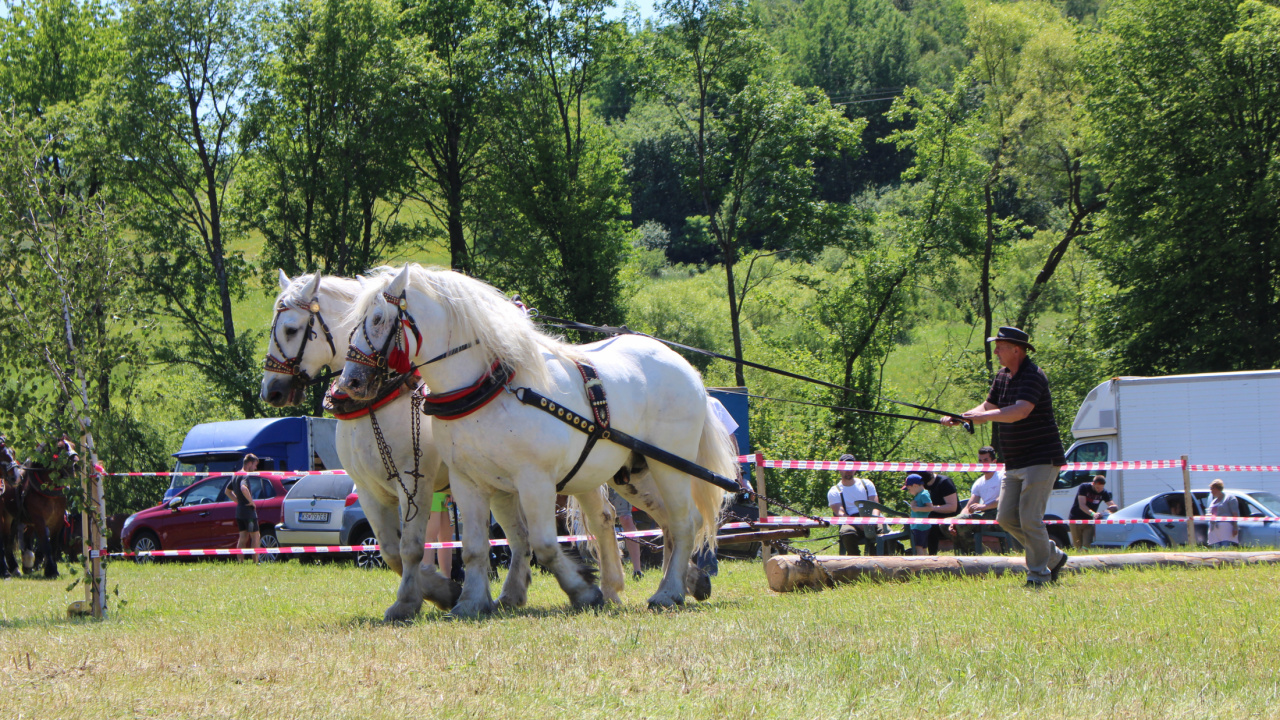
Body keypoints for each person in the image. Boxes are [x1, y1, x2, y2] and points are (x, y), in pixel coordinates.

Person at [942, 326, 1068, 587]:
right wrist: (962, 417)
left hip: (1041, 458)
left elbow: (1019, 411)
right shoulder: (1002, 376)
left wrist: (982, 417)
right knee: (1007, 518)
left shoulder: (1034, 375)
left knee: (1030, 519)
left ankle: (1039, 576)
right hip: (1015, 460)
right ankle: (1053, 556)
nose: (996, 351)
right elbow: (989, 406)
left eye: (1000, 346)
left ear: (1016, 349)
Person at [827, 453, 883, 555]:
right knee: (847, 532)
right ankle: (856, 562)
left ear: (856, 469)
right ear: (839, 469)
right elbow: (840, 513)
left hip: (871, 518)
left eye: (851, 467)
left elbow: (875, 505)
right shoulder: (834, 491)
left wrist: (873, 519)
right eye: (845, 467)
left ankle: (884, 560)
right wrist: (858, 523)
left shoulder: (867, 484)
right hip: (851, 521)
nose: (848, 470)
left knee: (887, 533)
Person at [950, 446, 1003, 554]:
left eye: (986, 460)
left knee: (964, 523)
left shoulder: (1003, 476)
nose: (982, 463)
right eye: (980, 460)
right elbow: (969, 507)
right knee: (947, 525)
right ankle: (966, 554)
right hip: (985, 515)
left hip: (1000, 514)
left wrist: (984, 507)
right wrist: (955, 520)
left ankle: (974, 553)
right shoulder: (979, 482)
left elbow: (1004, 499)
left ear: (994, 461)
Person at [225, 453, 263, 563]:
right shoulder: (244, 476)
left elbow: (227, 491)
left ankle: (240, 562)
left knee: (243, 537)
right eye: (255, 465)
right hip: (248, 512)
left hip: (239, 511)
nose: (255, 468)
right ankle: (256, 562)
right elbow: (243, 488)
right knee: (255, 536)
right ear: (249, 463)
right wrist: (252, 502)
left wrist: (238, 501)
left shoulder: (235, 475)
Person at [1068, 475, 1118, 549]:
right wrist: (1093, 513)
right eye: (1098, 487)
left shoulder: (1103, 492)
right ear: (1093, 484)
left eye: (1102, 488)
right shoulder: (1084, 487)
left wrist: (1113, 508)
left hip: (1089, 521)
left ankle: (1086, 557)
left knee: (1087, 545)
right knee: (1077, 545)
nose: (1099, 490)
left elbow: (1112, 505)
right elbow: (1082, 505)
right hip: (1075, 519)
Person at [916, 470, 960, 554]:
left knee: (929, 527)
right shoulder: (921, 485)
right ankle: (917, 553)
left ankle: (932, 556)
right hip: (930, 517)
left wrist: (931, 508)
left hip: (949, 519)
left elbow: (952, 507)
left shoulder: (944, 482)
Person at [608, 487, 645, 580]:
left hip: (617, 482)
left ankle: (637, 570)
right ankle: (607, 570)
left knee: (626, 519)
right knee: (603, 521)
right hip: (599, 482)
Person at [425, 492, 454, 578]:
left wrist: (454, 491)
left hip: (448, 492)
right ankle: (427, 581)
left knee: (446, 541)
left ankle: (446, 581)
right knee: (429, 539)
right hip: (432, 491)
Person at [1206, 479, 1240, 547]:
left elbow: (1235, 513)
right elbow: (1210, 512)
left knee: (1225, 548)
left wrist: (1235, 527)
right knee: (1215, 549)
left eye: (1212, 489)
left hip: (1226, 530)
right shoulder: (1214, 501)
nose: (1211, 491)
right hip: (1214, 529)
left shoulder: (1230, 498)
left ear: (1216, 488)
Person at [903, 474, 932, 556]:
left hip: (920, 527)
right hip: (918, 525)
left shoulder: (923, 494)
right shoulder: (919, 495)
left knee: (918, 547)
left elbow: (930, 507)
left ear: (915, 486)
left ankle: (920, 563)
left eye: (909, 489)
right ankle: (926, 561)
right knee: (923, 547)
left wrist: (916, 508)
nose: (909, 492)